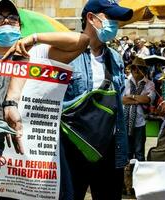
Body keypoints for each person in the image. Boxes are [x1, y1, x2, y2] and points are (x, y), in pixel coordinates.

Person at [0, 0, 89, 199]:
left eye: (13, 18)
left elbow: (82, 41)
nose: (6, 21)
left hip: (30, 172)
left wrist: (34, 38)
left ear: (20, 28)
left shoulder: (39, 55)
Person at [58, 0, 133, 199]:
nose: (115, 25)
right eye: (111, 18)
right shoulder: (65, 56)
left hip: (108, 150)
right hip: (72, 150)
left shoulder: (115, 58)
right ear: (91, 18)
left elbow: (117, 106)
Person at [123, 57, 155, 161]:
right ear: (131, 70)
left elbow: (148, 99)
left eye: (139, 68)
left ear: (144, 70)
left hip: (140, 123)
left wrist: (131, 97)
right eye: (134, 68)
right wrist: (138, 99)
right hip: (125, 121)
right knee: (127, 152)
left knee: (139, 153)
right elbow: (121, 100)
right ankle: (127, 175)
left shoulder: (149, 84)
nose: (136, 70)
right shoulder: (125, 82)